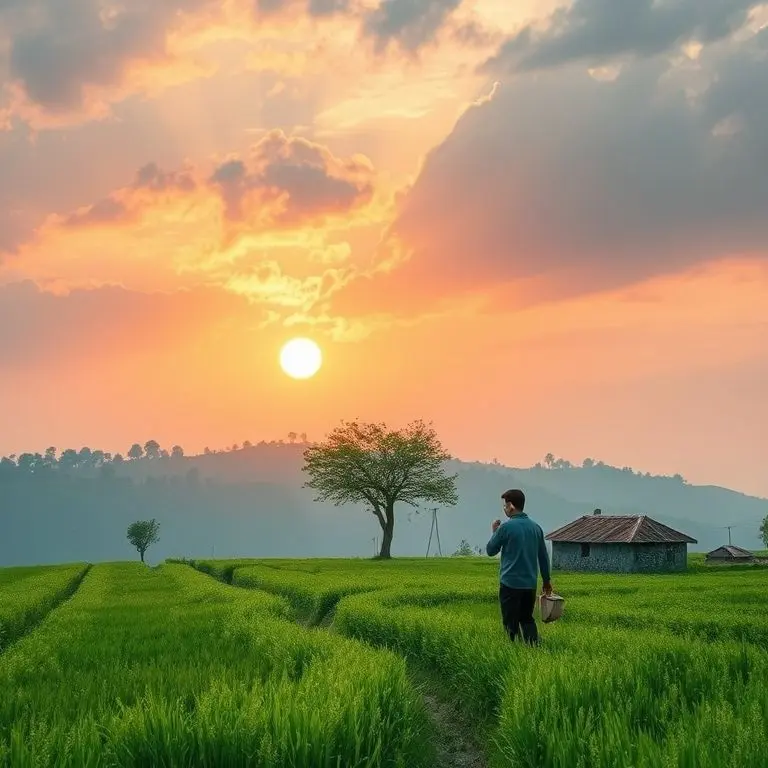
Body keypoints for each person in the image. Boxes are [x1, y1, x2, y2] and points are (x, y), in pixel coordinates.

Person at [486, 488, 552, 645]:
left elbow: (490, 550)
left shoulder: (506, 528)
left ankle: (511, 650)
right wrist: (546, 581)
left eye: (505, 506)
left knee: (510, 623)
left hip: (510, 583)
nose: (504, 509)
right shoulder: (536, 528)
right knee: (527, 619)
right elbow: (543, 557)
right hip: (529, 584)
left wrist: (494, 532)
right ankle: (533, 649)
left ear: (511, 506)